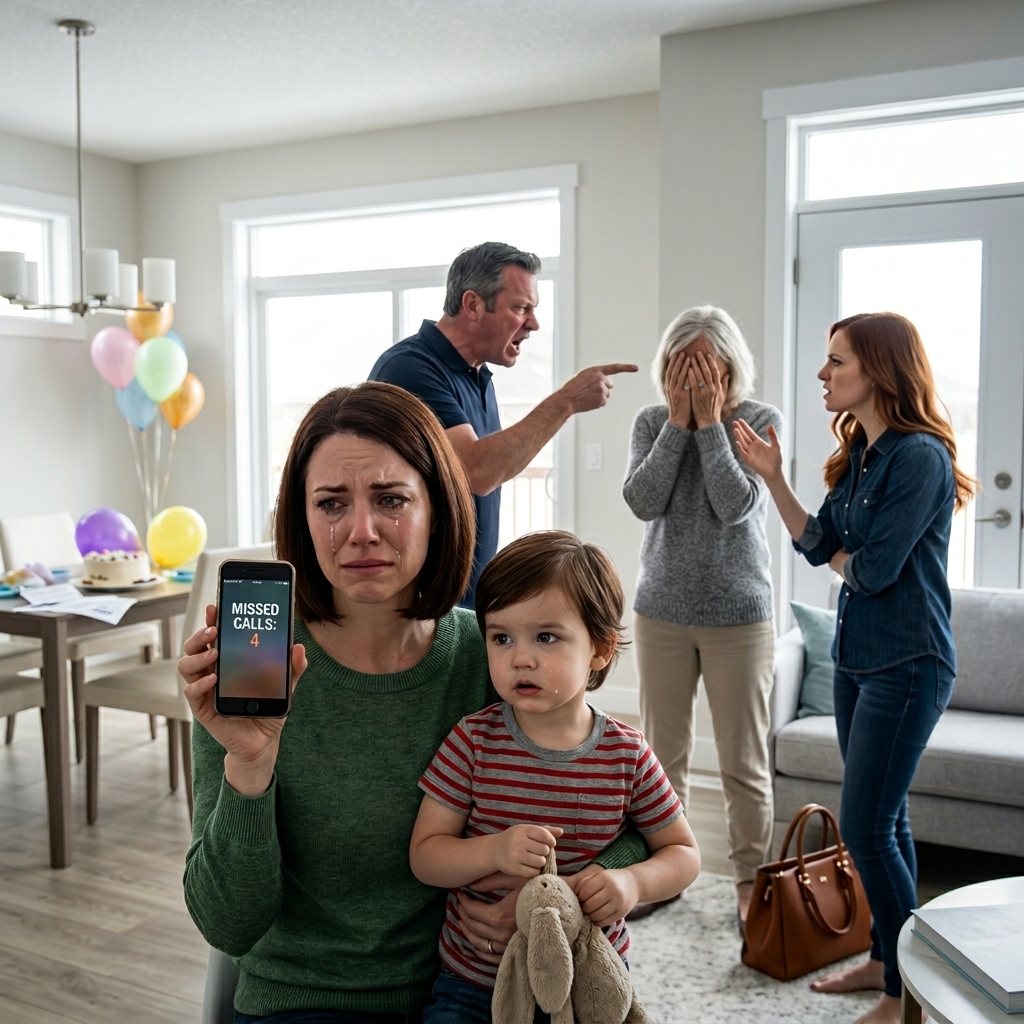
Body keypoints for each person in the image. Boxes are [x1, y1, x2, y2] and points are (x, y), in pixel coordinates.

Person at [179, 382, 646, 1023]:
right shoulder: (252, 674)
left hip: (470, 989)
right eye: (331, 503)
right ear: (303, 518)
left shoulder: (494, 660)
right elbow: (227, 926)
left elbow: (632, 824)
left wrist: (558, 895)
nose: (362, 531)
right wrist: (250, 769)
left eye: (392, 499)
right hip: (310, 1001)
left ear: (438, 509)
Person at [733, 312, 974, 1024]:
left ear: (878, 369)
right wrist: (774, 479)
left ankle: (909, 996)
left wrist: (845, 563)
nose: (822, 373)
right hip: (857, 661)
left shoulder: (920, 457)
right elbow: (817, 545)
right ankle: (884, 958)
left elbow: (871, 572)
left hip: (909, 663)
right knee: (885, 819)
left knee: (866, 827)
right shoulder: (863, 453)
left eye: (836, 360)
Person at [410, 531, 700, 1022]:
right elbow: (425, 856)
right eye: (502, 638)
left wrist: (629, 883)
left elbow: (685, 855)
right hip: (477, 981)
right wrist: (494, 849)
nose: (520, 657)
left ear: (601, 649)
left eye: (546, 636)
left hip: (589, 979)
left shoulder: (626, 752)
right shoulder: (473, 741)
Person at [622, 305, 781, 926]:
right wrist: (678, 428)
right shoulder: (651, 421)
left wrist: (712, 425)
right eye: (680, 370)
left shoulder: (760, 421)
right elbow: (642, 500)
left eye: (705, 371)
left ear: (729, 369)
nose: (691, 383)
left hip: (739, 615)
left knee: (743, 761)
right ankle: (667, 874)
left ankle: (749, 882)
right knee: (662, 758)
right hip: (661, 610)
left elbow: (735, 504)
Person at [370, 241, 637, 606]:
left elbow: (492, 466)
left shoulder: (477, 376)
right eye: (521, 308)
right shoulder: (410, 368)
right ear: (473, 305)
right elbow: (477, 470)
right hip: (420, 601)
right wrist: (567, 400)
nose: (534, 323)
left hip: (464, 596)